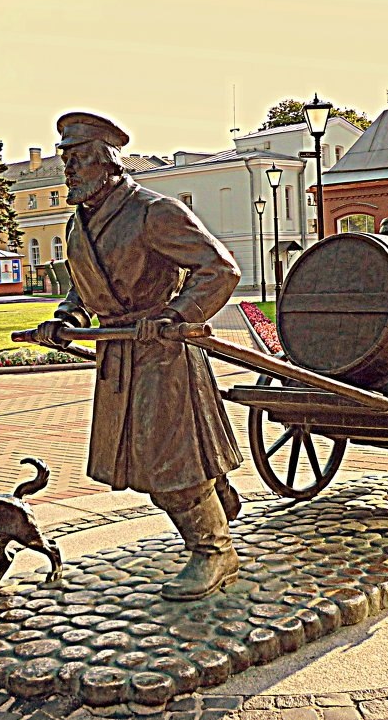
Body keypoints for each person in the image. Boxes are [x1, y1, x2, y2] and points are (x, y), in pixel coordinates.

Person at [34, 111, 243, 601]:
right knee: (149, 459)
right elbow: (84, 285)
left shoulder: (154, 211)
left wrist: (176, 314)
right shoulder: (77, 223)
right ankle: (214, 497)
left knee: (167, 461)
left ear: (107, 162)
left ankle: (214, 550)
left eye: (79, 160)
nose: (69, 170)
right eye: (66, 160)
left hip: (160, 353)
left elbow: (220, 270)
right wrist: (67, 318)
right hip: (119, 353)